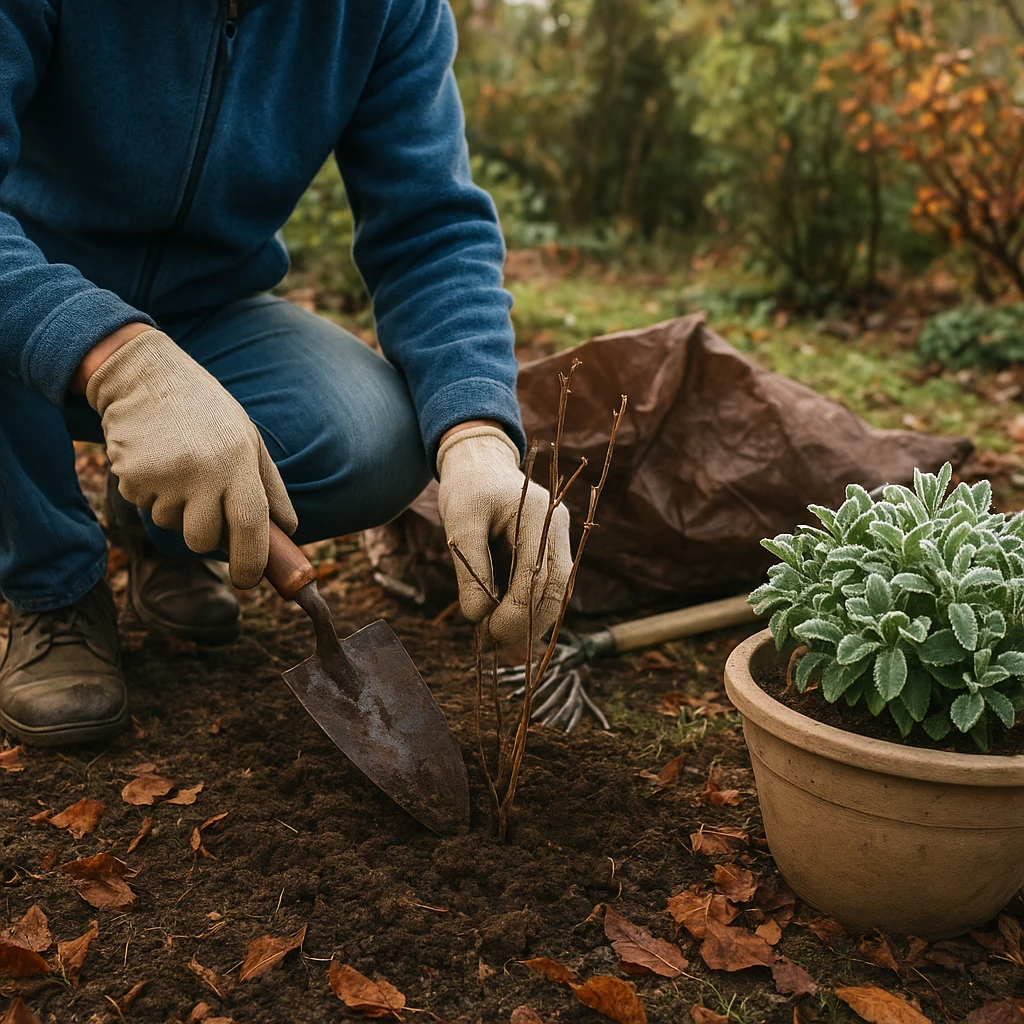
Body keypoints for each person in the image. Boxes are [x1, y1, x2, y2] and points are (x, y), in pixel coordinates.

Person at [0, 0, 572, 747]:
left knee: (375, 440)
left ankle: (162, 532)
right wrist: (117, 359)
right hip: (27, 288)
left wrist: (476, 438)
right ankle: (55, 584)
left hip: (209, 306)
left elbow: (431, 225)